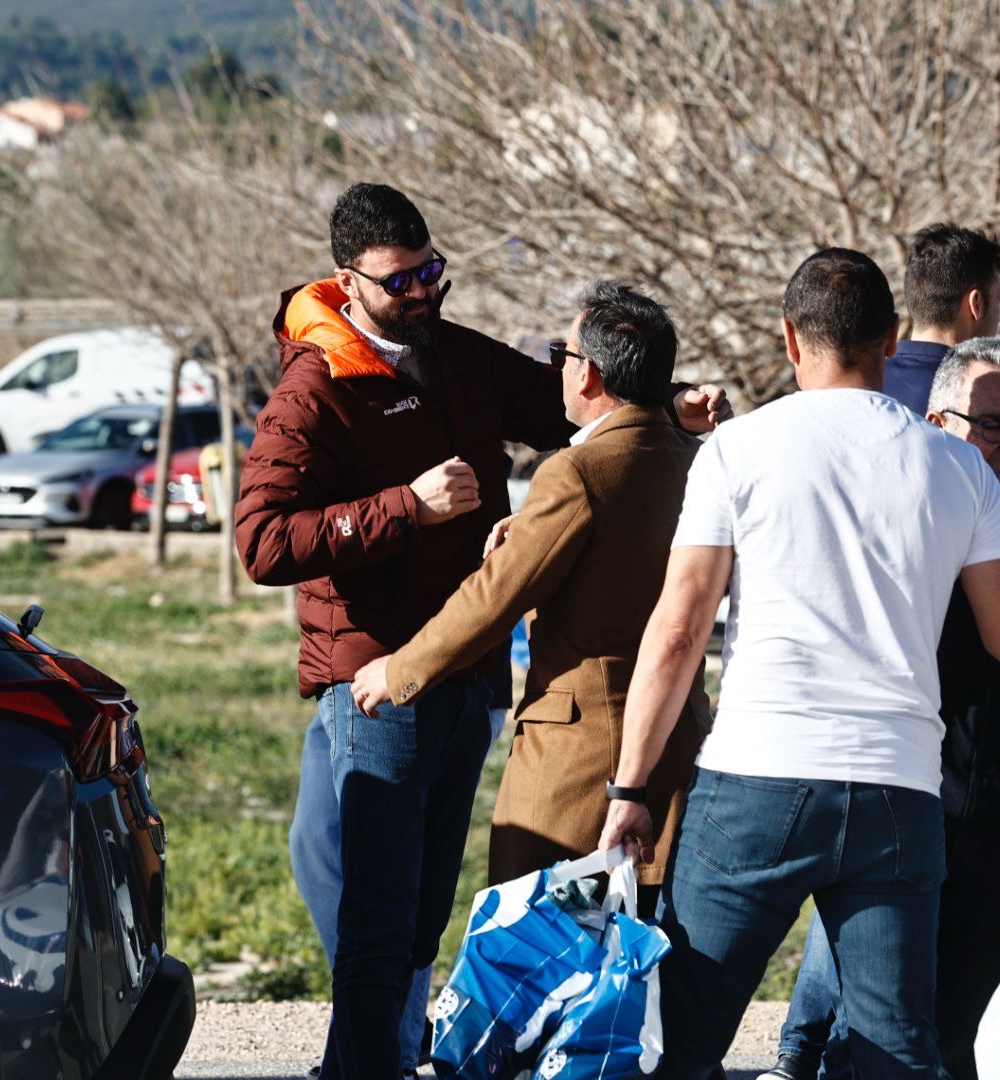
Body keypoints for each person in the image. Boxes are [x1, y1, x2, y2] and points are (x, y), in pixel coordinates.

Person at [235, 182, 729, 1079]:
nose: (422, 293)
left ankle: (399, 1046)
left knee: (421, 905)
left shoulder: (459, 356)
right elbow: (263, 542)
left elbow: (578, 407)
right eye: (400, 282)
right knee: (374, 911)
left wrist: (666, 408)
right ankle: (366, 1061)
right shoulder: (316, 387)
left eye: (433, 271)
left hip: (465, 683)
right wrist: (400, 510)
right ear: (347, 282)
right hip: (378, 676)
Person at [599, 248, 1000, 1078]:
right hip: (898, 788)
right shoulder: (958, 466)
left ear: (787, 339)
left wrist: (630, 788)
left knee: (681, 1029)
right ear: (889, 339)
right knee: (893, 1045)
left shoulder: (736, 449)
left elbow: (678, 631)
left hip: (757, 776)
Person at [763, 338, 1000, 1080]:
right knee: (879, 1042)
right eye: (992, 426)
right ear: (937, 423)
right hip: (909, 827)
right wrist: (998, 586)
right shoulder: (896, 536)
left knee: (983, 1047)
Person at [351, 281, 711, 917]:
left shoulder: (577, 472)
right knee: (646, 963)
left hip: (578, 765)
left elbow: (496, 596)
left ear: (590, 374)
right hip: (676, 743)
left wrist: (399, 670)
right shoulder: (690, 459)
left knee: (539, 955)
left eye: (561, 357)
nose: (557, 372)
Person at [883, 223, 1000, 416]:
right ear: (976, 304)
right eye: (999, 302)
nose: (998, 318)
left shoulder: (866, 383)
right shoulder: (980, 395)